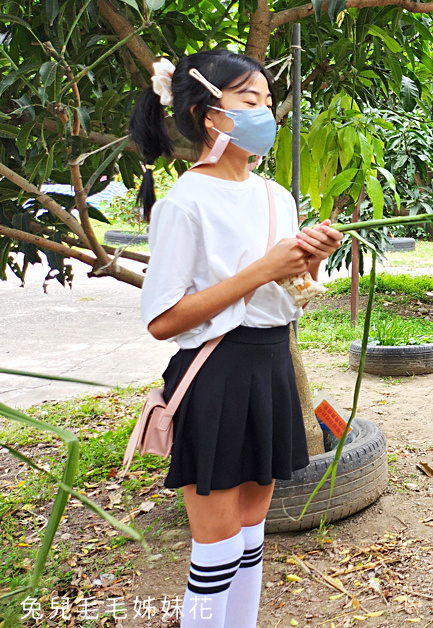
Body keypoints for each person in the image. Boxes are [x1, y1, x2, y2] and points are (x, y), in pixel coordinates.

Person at [129, 49, 343, 627]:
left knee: (252, 533)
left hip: (271, 366)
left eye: (268, 103)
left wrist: (310, 263)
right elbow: (163, 320)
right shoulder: (184, 203)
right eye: (250, 102)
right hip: (216, 373)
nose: (265, 115)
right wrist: (263, 269)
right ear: (206, 113)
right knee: (217, 545)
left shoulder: (276, 196)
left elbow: (288, 290)